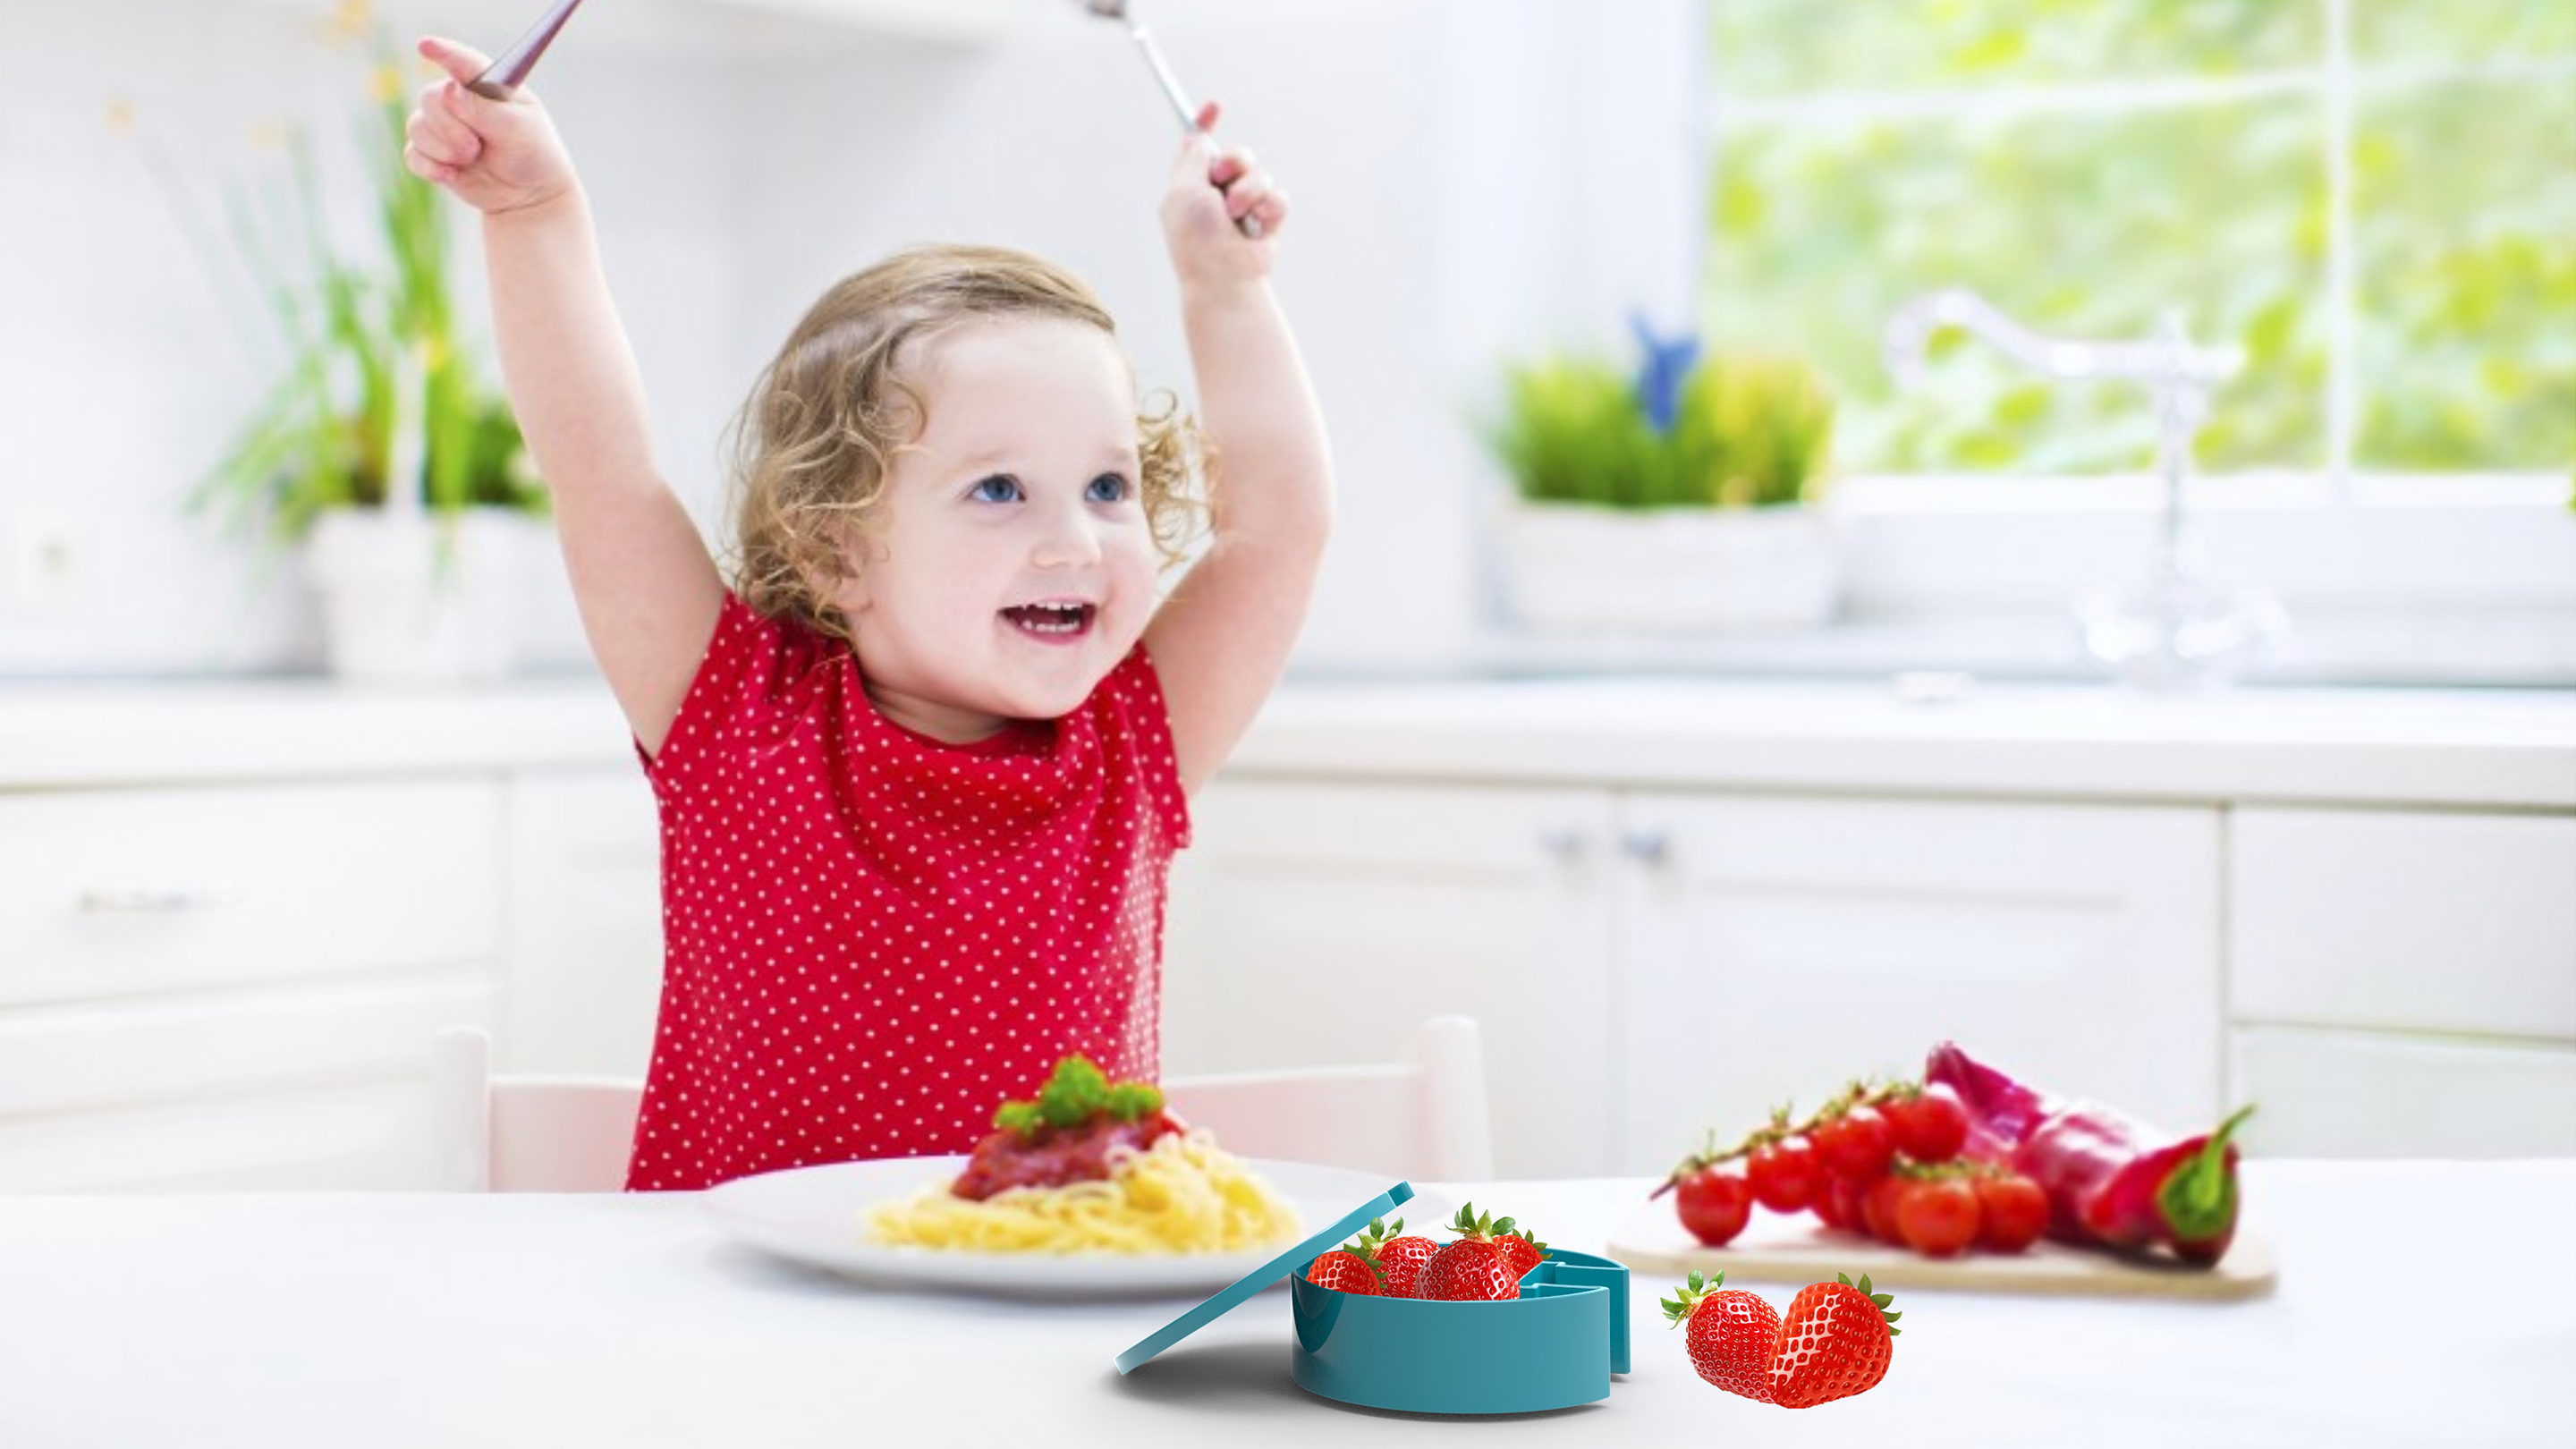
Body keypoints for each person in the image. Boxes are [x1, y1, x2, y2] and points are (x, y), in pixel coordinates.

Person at [402, 36, 1332, 1191]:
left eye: (1108, 487)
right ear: (838, 547)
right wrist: (534, 211)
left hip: (1033, 1335)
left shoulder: (1132, 746)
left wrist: (1225, 289)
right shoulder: (738, 719)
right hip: (742, 1335)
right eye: (999, 490)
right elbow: (603, 472)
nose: (1075, 541)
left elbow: (1276, 532)